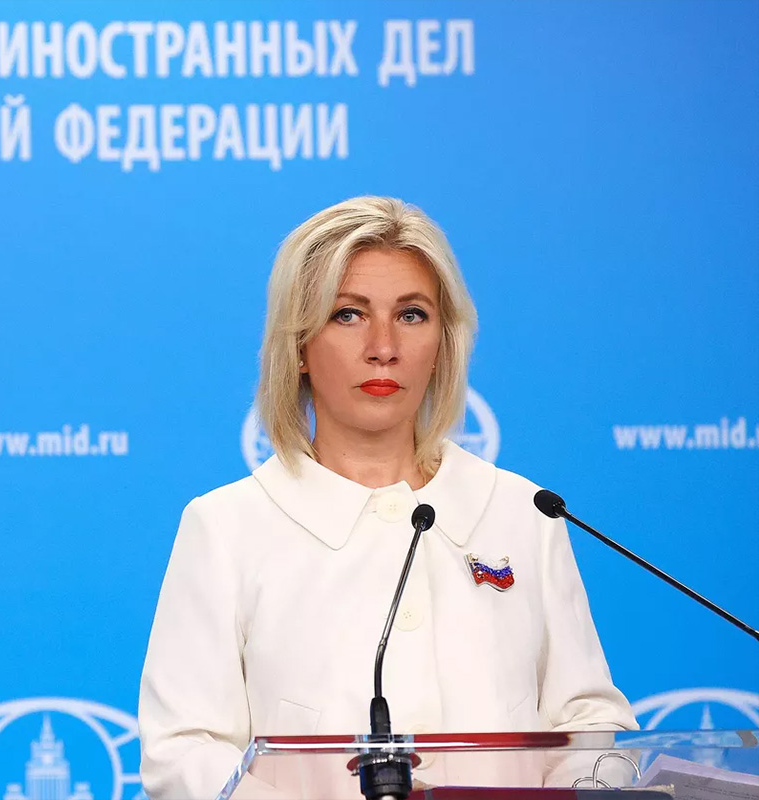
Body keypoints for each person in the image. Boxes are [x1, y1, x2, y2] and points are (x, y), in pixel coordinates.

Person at [137, 197, 637, 800]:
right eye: (348, 314)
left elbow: (586, 722)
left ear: (443, 343)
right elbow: (183, 751)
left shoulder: (523, 512)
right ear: (298, 345)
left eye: (411, 314)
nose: (383, 346)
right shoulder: (227, 527)